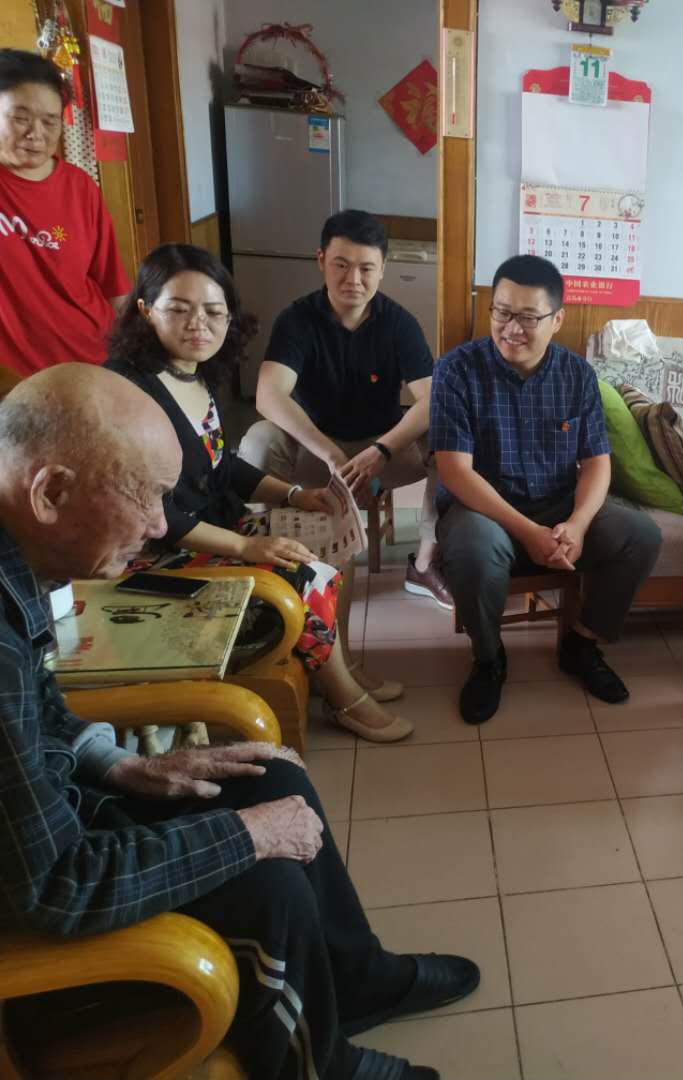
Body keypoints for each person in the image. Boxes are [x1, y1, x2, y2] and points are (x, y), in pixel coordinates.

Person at [0, 363, 478, 1080]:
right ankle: (326, 1065)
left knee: (267, 773)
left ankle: (355, 978)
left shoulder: (23, 563)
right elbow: (54, 889)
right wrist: (245, 838)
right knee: (268, 878)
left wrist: (119, 762)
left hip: (58, 828)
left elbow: (40, 713)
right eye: (146, 496)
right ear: (50, 493)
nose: (159, 524)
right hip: (38, 924)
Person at [106, 243, 412, 743]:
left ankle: (336, 666)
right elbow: (154, 514)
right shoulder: (128, 390)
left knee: (329, 534)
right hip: (157, 554)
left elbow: (222, 465)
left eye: (213, 311)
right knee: (303, 572)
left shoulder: (192, 373)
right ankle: (345, 700)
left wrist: (294, 495)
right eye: (179, 309)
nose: (198, 324)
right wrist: (248, 546)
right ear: (145, 310)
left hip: (213, 525)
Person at [431, 254, 662, 725]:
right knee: (473, 549)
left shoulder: (577, 375)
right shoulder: (456, 370)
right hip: (484, 511)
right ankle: (489, 658)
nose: (512, 328)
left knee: (640, 535)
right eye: (501, 312)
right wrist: (529, 533)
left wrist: (576, 525)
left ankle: (581, 645)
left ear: (557, 320)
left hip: (556, 504)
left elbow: (597, 463)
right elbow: (454, 472)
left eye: (528, 317)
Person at [239, 210, 448, 609]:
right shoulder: (297, 320)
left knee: (446, 437)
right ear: (321, 261)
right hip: (315, 453)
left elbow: (432, 398)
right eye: (341, 265)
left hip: (382, 454)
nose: (354, 279)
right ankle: (273, 559)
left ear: (383, 269)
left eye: (366, 268)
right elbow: (269, 395)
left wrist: (382, 449)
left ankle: (425, 561)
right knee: (258, 441)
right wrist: (331, 454)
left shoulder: (399, 324)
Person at [0, 49, 128, 375]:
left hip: (97, 357)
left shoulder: (80, 186)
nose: (36, 133)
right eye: (20, 118)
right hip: (19, 381)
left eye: (50, 121)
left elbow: (113, 283)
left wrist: (134, 355)